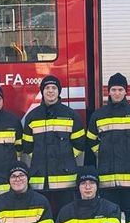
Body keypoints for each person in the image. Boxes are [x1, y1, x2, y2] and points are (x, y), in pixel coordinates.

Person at [86, 72, 130, 214]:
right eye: (114, 90)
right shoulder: (98, 115)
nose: (117, 93)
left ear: (126, 91)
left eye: (120, 89)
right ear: (108, 92)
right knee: (110, 216)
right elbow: (90, 139)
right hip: (107, 179)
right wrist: (101, 152)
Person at [23, 75, 85, 213]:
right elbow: (27, 146)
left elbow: (80, 144)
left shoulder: (71, 115)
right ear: (42, 91)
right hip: (40, 180)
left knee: (65, 215)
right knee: (41, 215)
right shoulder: (32, 117)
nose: (50, 91)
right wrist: (40, 157)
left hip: (66, 180)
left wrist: (66, 157)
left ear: (59, 91)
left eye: (54, 88)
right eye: (47, 88)